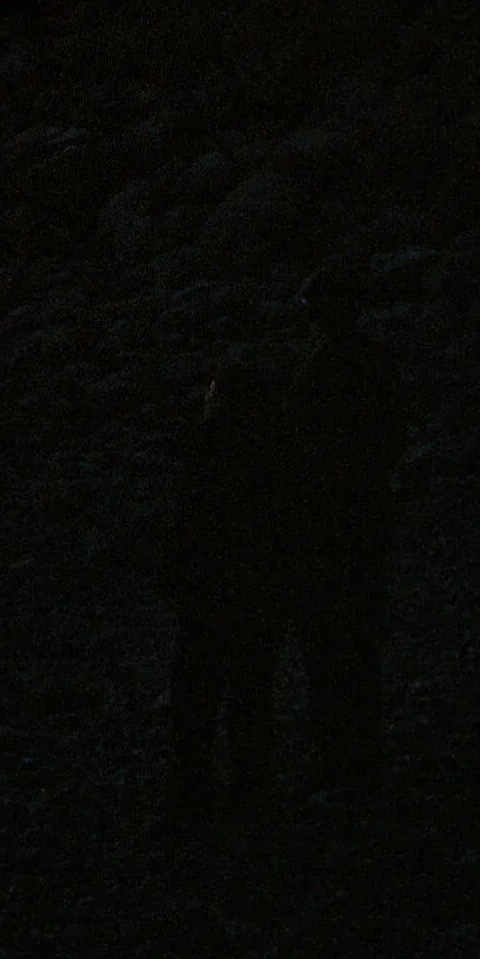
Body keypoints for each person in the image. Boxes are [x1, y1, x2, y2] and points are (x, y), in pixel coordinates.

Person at [161, 345, 290, 836]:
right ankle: (249, 794)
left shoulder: (208, 444)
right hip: (258, 594)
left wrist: (175, 575)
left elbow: (187, 521)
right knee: (250, 697)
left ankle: (191, 792)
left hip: (210, 596)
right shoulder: (277, 451)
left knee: (195, 698)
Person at [289, 264, 403, 796]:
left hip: (330, 529)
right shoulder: (376, 363)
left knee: (330, 649)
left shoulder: (321, 372)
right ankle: (363, 760)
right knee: (360, 645)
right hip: (367, 523)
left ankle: (338, 764)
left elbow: (308, 453)